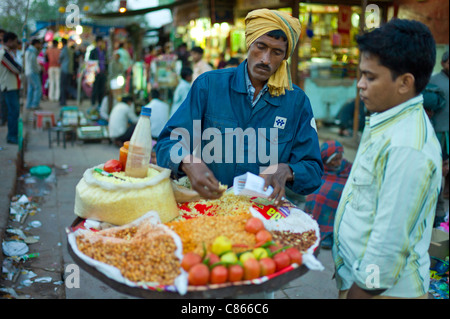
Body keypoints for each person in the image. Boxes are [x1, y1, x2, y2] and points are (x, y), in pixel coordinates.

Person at [156, 9, 323, 206]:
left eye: (276, 52)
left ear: (285, 56)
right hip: (208, 208)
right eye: (260, 47)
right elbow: (166, 143)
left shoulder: (296, 102)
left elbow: (313, 170)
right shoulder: (208, 86)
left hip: (262, 214)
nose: (265, 59)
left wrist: (288, 171)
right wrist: (188, 162)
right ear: (249, 42)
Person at [333, 19, 442, 299]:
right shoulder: (387, 121)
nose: (360, 85)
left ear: (405, 82)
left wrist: (360, 292)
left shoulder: (408, 148)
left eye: (370, 77)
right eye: (361, 75)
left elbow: (388, 246)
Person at [304, 140, 352, 249]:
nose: (339, 163)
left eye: (340, 158)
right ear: (326, 160)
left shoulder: (346, 167)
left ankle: (334, 232)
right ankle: (322, 231)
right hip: (324, 191)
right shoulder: (319, 169)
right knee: (318, 195)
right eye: (335, 160)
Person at [429, 51, 449, 201]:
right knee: (438, 163)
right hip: (438, 130)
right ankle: (435, 195)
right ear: (443, 63)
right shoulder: (434, 81)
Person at [0, 32, 23, 144]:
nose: (16, 43)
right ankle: (12, 136)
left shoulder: (8, 53)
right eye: (14, 41)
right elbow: (16, 69)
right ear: (9, 41)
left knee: (14, 111)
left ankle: (13, 135)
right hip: (9, 86)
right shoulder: (3, 53)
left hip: (11, 85)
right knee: (13, 112)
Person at [89, 36, 107, 108]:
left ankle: (100, 103)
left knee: (101, 89)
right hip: (95, 73)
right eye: (99, 42)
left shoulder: (104, 51)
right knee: (95, 88)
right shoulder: (93, 51)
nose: (100, 43)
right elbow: (90, 62)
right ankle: (93, 103)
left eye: (101, 42)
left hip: (103, 72)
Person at [25, 38, 43, 110]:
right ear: (36, 44)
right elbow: (33, 63)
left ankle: (29, 104)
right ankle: (34, 104)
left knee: (31, 88)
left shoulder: (29, 50)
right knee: (37, 88)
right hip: (33, 71)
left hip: (28, 71)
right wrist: (38, 69)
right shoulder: (32, 51)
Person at [59, 38, 72, 106]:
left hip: (64, 70)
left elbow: (60, 59)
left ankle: (62, 101)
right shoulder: (70, 50)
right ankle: (63, 101)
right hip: (69, 70)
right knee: (67, 86)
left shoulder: (64, 50)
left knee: (63, 87)